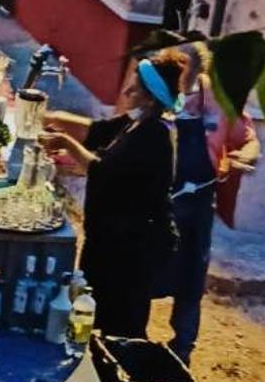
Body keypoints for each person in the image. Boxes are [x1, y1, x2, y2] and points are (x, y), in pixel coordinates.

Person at [41, 48, 187, 337]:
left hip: (130, 250)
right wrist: (45, 116)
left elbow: (102, 171)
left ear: (149, 98)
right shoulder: (133, 123)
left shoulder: (154, 134)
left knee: (120, 322)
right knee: (95, 309)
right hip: (111, 240)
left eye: (135, 87)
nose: (128, 90)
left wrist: (66, 143)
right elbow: (94, 131)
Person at [168, 42, 260, 363]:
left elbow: (249, 141)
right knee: (144, 264)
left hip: (198, 201)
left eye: (187, 70)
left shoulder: (219, 101)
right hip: (159, 197)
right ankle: (129, 333)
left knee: (192, 274)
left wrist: (243, 157)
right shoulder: (159, 94)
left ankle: (182, 347)